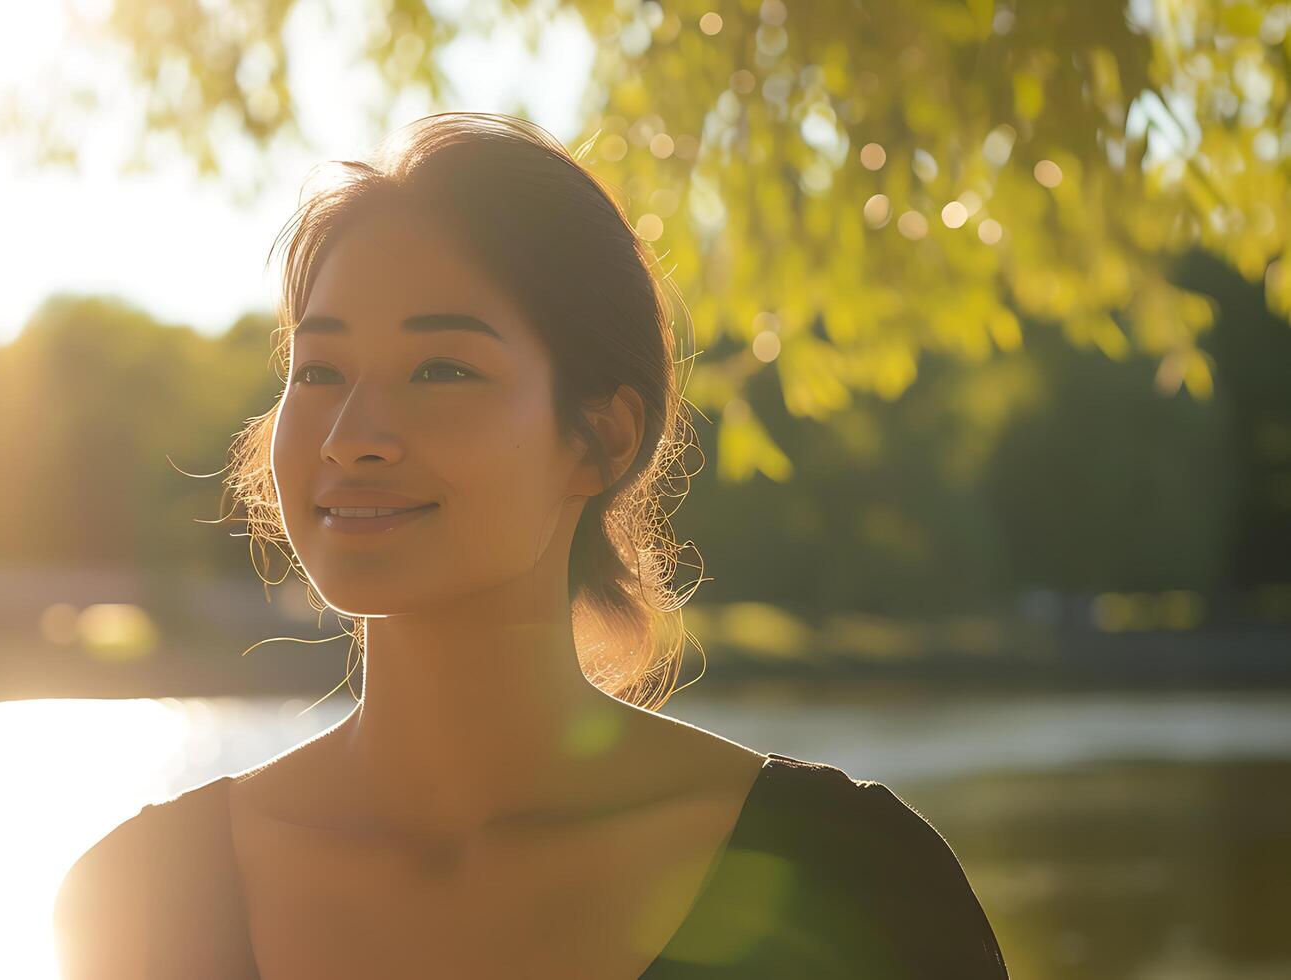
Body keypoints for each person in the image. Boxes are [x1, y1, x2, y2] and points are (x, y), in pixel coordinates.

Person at [53, 111, 1008, 979]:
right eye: (321, 368)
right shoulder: (137, 899)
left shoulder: (850, 882)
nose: (352, 433)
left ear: (601, 437)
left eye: (441, 367)